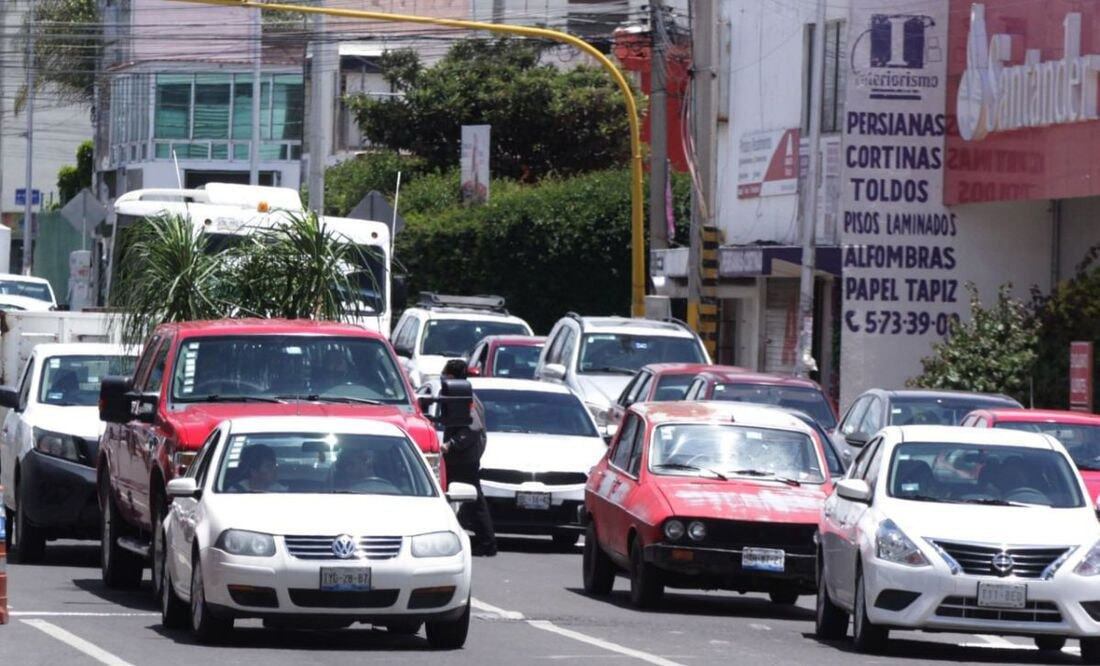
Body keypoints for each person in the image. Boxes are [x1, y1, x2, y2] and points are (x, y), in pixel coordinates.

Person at [440, 359, 497, 556]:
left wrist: (451, 444)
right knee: (468, 500)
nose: (443, 378)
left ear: (452, 377)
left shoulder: (464, 397)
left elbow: (473, 428)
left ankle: (487, 543)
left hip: (463, 457)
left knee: (474, 500)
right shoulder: (462, 395)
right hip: (462, 456)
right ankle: (482, 541)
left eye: (445, 375)